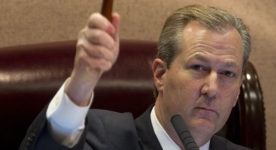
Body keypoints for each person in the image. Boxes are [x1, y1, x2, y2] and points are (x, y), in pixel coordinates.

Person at [20, 4, 251, 150]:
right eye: (199, 67)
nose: (212, 88)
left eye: (227, 73)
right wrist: (81, 83)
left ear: (237, 91)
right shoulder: (97, 137)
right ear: (160, 74)